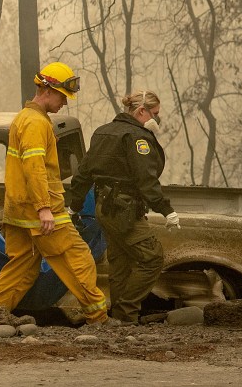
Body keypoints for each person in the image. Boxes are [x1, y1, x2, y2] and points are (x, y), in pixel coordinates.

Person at [0, 61, 108, 325]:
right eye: (63, 96)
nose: (65, 103)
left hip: (19, 210)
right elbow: (34, 167)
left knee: (22, 267)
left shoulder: (24, 118)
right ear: (48, 90)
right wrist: (44, 207)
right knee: (78, 259)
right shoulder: (35, 123)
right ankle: (98, 317)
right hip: (40, 209)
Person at [67, 89, 180, 325]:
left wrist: (74, 205)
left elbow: (83, 174)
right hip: (125, 210)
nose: (156, 119)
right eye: (155, 114)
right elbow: (146, 180)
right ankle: (127, 312)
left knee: (120, 263)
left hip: (104, 208)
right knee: (152, 259)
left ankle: (120, 319)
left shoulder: (102, 132)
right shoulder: (137, 137)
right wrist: (167, 210)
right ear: (141, 111)